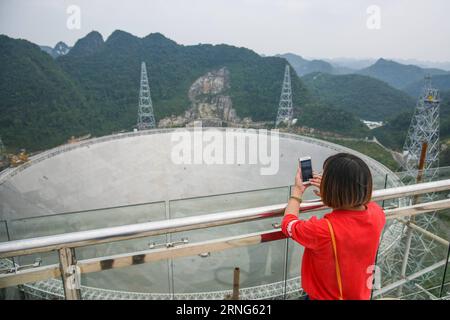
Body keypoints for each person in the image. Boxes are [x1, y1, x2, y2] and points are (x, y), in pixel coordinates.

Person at [281, 153, 386, 300]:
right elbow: (356, 205)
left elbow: (288, 224)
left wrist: (298, 191)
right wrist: (333, 193)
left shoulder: (323, 230)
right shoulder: (377, 214)